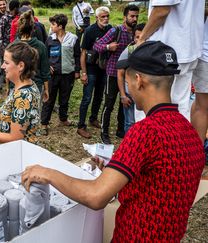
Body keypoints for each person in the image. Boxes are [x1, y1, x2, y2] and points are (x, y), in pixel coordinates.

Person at [22, 41, 205, 242]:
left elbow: (96, 196)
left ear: (138, 80)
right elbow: (162, 183)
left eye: (127, 83)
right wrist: (117, 172)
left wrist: (48, 173)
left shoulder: (146, 131)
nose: (127, 90)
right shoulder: (189, 131)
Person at [139, 0, 204, 121]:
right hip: (188, 47)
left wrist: (141, 38)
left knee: (153, 106)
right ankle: (178, 138)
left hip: (165, 49)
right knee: (180, 106)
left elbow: (161, 11)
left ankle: (153, 139)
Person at [93, 4, 139, 144]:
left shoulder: (138, 33)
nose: (134, 19)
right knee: (109, 104)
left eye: (136, 16)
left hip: (129, 75)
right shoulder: (116, 31)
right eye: (132, 16)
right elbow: (96, 46)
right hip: (113, 73)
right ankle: (104, 132)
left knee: (124, 103)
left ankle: (120, 130)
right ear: (125, 17)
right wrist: (108, 47)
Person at [41, 14, 80, 135]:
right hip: (53, 76)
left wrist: (77, 71)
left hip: (68, 74)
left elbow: (77, 55)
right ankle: (44, 124)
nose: (51, 26)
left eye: (53, 24)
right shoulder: (50, 39)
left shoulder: (73, 38)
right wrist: (47, 66)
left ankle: (63, 119)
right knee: (49, 99)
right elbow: (44, 56)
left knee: (65, 99)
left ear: (60, 26)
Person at [76, 6, 111, 139]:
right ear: (96, 18)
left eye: (107, 16)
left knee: (99, 96)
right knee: (87, 98)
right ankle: (81, 126)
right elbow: (83, 53)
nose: (106, 19)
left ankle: (93, 118)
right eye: (103, 16)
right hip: (90, 69)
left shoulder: (110, 29)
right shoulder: (90, 31)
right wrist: (83, 72)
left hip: (103, 68)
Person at [117, 23, 145, 134]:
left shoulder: (152, 52)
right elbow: (120, 73)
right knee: (130, 123)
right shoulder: (129, 51)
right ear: (133, 38)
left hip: (145, 96)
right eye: (137, 37)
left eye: (142, 37)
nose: (139, 40)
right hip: (130, 95)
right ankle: (128, 148)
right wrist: (123, 95)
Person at [16, 10, 49, 99]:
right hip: (36, 86)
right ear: (33, 28)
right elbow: (45, 71)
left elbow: (7, 69)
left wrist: (8, 87)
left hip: (16, 85)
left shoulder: (13, 46)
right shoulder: (41, 46)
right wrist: (46, 89)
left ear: (19, 27)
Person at [192, 17, 208, 142]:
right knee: (201, 105)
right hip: (204, 55)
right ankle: (196, 152)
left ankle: (195, 152)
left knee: (201, 105)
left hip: (203, 54)